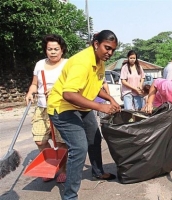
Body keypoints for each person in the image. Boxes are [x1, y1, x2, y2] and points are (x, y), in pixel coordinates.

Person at [47, 30, 120, 200]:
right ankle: (70, 196)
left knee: (95, 138)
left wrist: (110, 98)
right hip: (62, 107)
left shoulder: (100, 61)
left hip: (81, 105)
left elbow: (95, 87)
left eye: (112, 50)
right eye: (107, 48)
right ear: (96, 44)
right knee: (79, 148)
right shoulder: (82, 62)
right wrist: (100, 108)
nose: (109, 53)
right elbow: (69, 94)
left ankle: (98, 172)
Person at [25, 34, 68, 183]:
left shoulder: (67, 65)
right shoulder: (39, 64)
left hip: (60, 107)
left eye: (56, 49)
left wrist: (58, 90)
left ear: (62, 50)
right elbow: (35, 84)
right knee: (39, 140)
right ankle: (51, 164)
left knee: (61, 142)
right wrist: (31, 92)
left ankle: (63, 169)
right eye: (50, 49)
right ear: (45, 50)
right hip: (42, 107)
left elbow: (73, 86)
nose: (53, 52)